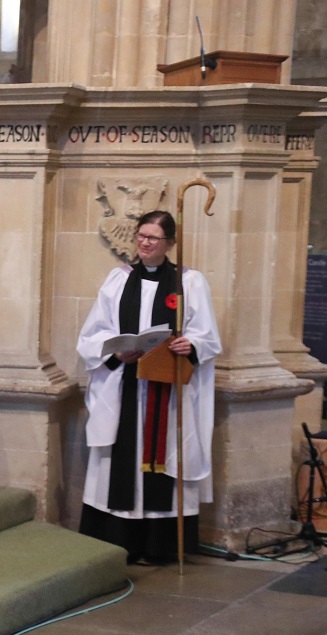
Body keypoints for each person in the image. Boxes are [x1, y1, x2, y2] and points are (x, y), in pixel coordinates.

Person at [77, 210, 221, 565]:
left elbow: (209, 337)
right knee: (122, 459)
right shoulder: (117, 280)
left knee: (166, 455)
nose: (144, 242)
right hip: (125, 386)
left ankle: (160, 546)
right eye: (141, 235)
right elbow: (92, 335)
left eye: (153, 238)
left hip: (168, 391)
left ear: (170, 244)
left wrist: (193, 345)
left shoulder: (190, 282)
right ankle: (119, 541)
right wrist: (116, 350)